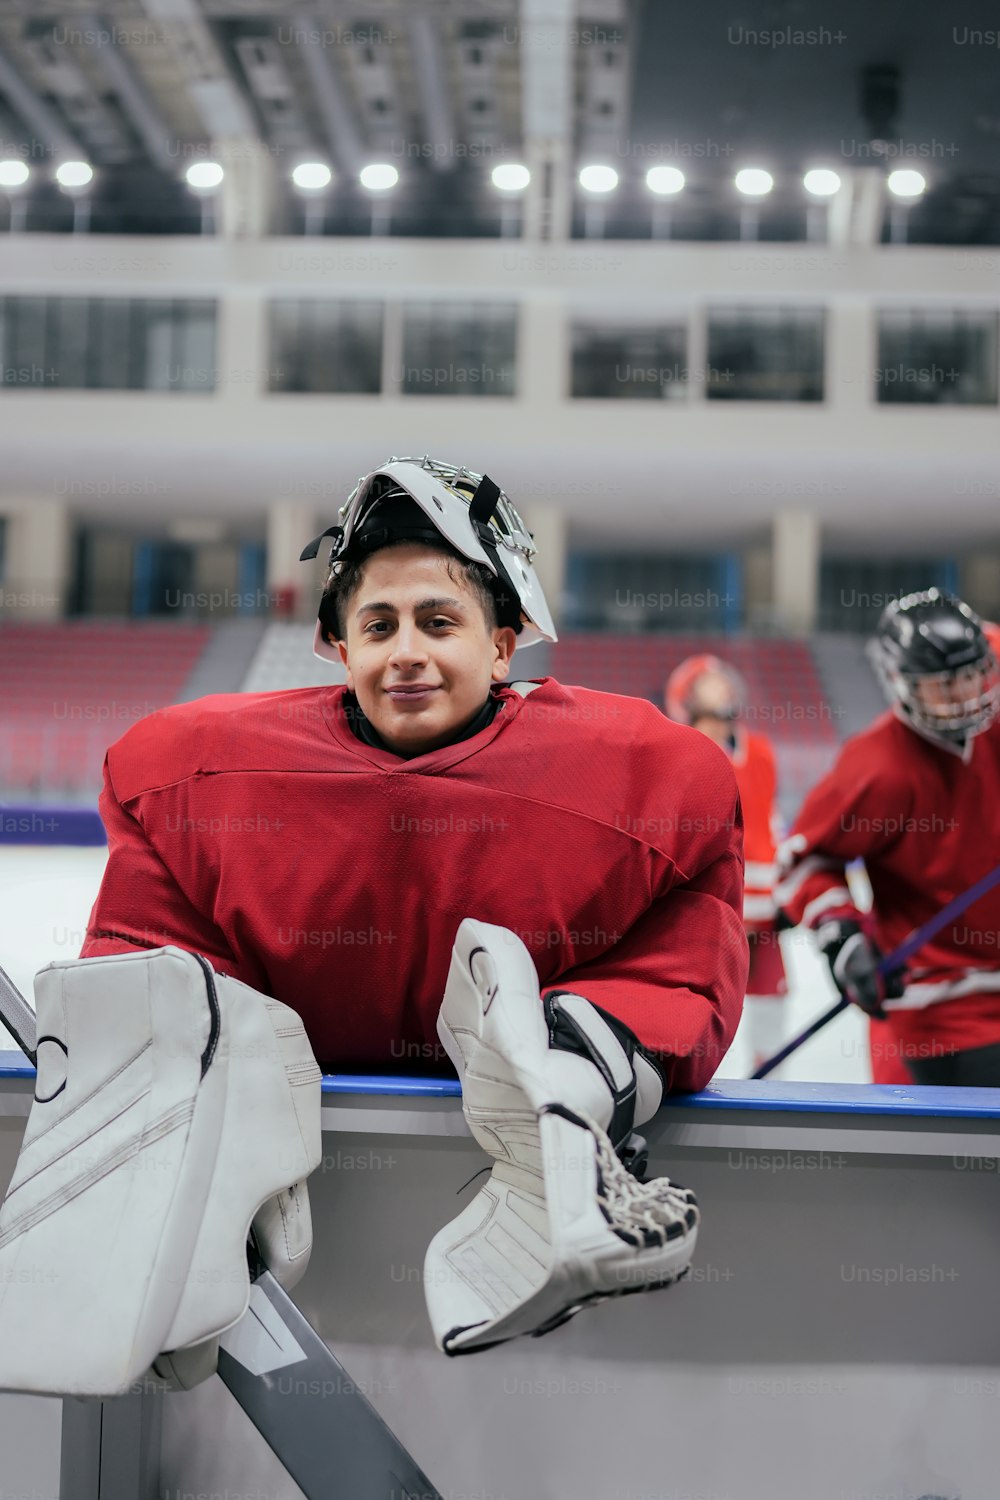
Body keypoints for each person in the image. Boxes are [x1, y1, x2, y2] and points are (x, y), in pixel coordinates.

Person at [76, 456, 748, 1351]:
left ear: (504, 642)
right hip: (274, 1073)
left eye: (440, 622)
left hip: (474, 1062)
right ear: (340, 646)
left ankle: (564, 1085)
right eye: (379, 624)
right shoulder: (202, 776)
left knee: (630, 978)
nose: (406, 654)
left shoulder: (641, 778)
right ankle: (204, 1141)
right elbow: (153, 930)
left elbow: (686, 932)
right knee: (169, 998)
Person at [774, 588, 1000, 1087]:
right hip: (943, 1005)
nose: (965, 695)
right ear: (901, 683)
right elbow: (807, 863)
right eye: (945, 686)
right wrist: (844, 936)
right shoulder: (877, 767)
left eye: (971, 678)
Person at [666, 654, 787, 1071]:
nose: (721, 695)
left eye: (723, 686)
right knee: (698, 1001)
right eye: (708, 688)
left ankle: (771, 1081)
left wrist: (781, 891)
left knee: (772, 1000)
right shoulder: (680, 753)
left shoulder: (761, 752)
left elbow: (771, 822)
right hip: (712, 908)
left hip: (765, 908)